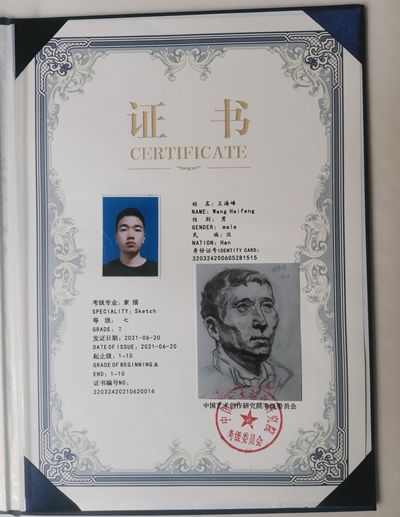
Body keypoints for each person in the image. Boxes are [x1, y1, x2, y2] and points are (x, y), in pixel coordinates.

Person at [199, 268, 299, 400]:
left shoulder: (287, 380)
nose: (262, 321)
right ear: (213, 328)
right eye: (243, 307)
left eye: (267, 306)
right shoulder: (203, 385)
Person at [103, 207, 158, 276]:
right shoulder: (104, 271)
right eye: (124, 229)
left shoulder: (157, 270)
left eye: (137, 230)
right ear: (116, 238)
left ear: (144, 238)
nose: (130, 235)